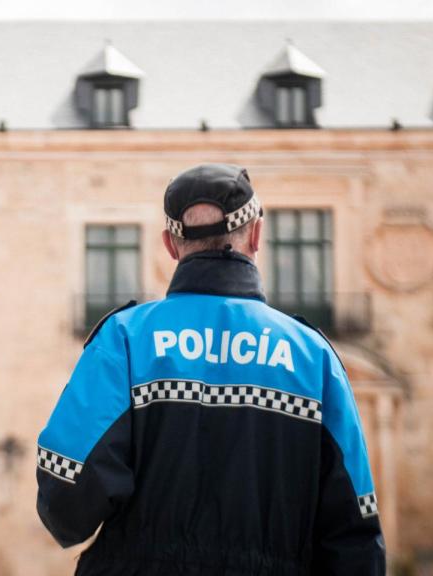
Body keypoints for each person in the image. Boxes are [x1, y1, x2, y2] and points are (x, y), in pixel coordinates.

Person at [35, 163, 386, 575]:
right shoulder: (314, 357)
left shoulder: (125, 341)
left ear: (169, 244)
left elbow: (66, 501)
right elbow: (355, 530)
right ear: (256, 235)